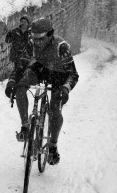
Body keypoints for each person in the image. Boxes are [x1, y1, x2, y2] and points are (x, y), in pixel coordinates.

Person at [5, 17, 79, 165]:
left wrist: (66, 88)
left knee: (55, 110)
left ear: (50, 34)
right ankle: (25, 127)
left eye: (41, 38)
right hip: (41, 69)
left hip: (60, 74)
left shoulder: (61, 47)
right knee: (20, 87)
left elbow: (73, 74)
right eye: (34, 38)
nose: (37, 42)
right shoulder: (31, 43)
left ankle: (52, 146)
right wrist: (12, 81)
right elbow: (21, 66)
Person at [4, 15, 33, 97]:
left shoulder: (30, 33)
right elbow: (7, 40)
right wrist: (9, 34)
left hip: (26, 56)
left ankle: (20, 87)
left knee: (24, 71)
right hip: (16, 55)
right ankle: (13, 86)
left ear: (28, 23)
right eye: (22, 21)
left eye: (25, 22)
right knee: (17, 70)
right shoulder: (15, 31)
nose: (23, 23)